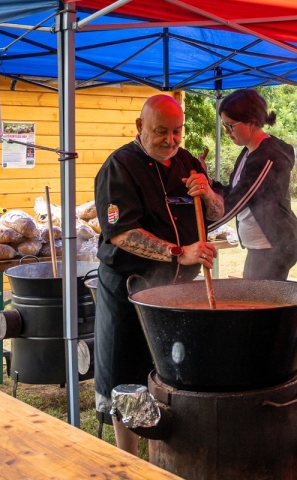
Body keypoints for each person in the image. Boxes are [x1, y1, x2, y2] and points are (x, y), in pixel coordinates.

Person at [94, 94, 225, 454]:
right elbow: (121, 233)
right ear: (140, 127)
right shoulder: (119, 167)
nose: (171, 140)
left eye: (177, 131)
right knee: (127, 371)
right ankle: (127, 457)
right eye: (161, 132)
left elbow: (216, 212)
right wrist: (179, 253)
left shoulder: (185, 161)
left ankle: (165, 449)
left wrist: (207, 192)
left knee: (171, 367)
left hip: (178, 290)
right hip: (130, 287)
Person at [210, 89, 297, 280]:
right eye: (224, 126)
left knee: (261, 306)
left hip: (273, 248)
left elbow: (237, 202)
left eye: (230, 126)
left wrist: (195, 234)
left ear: (251, 123)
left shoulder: (268, 156)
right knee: (252, 301)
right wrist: (208, 184)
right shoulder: (248, 152)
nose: (226, 132)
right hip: (259, 247)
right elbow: (233, 191)